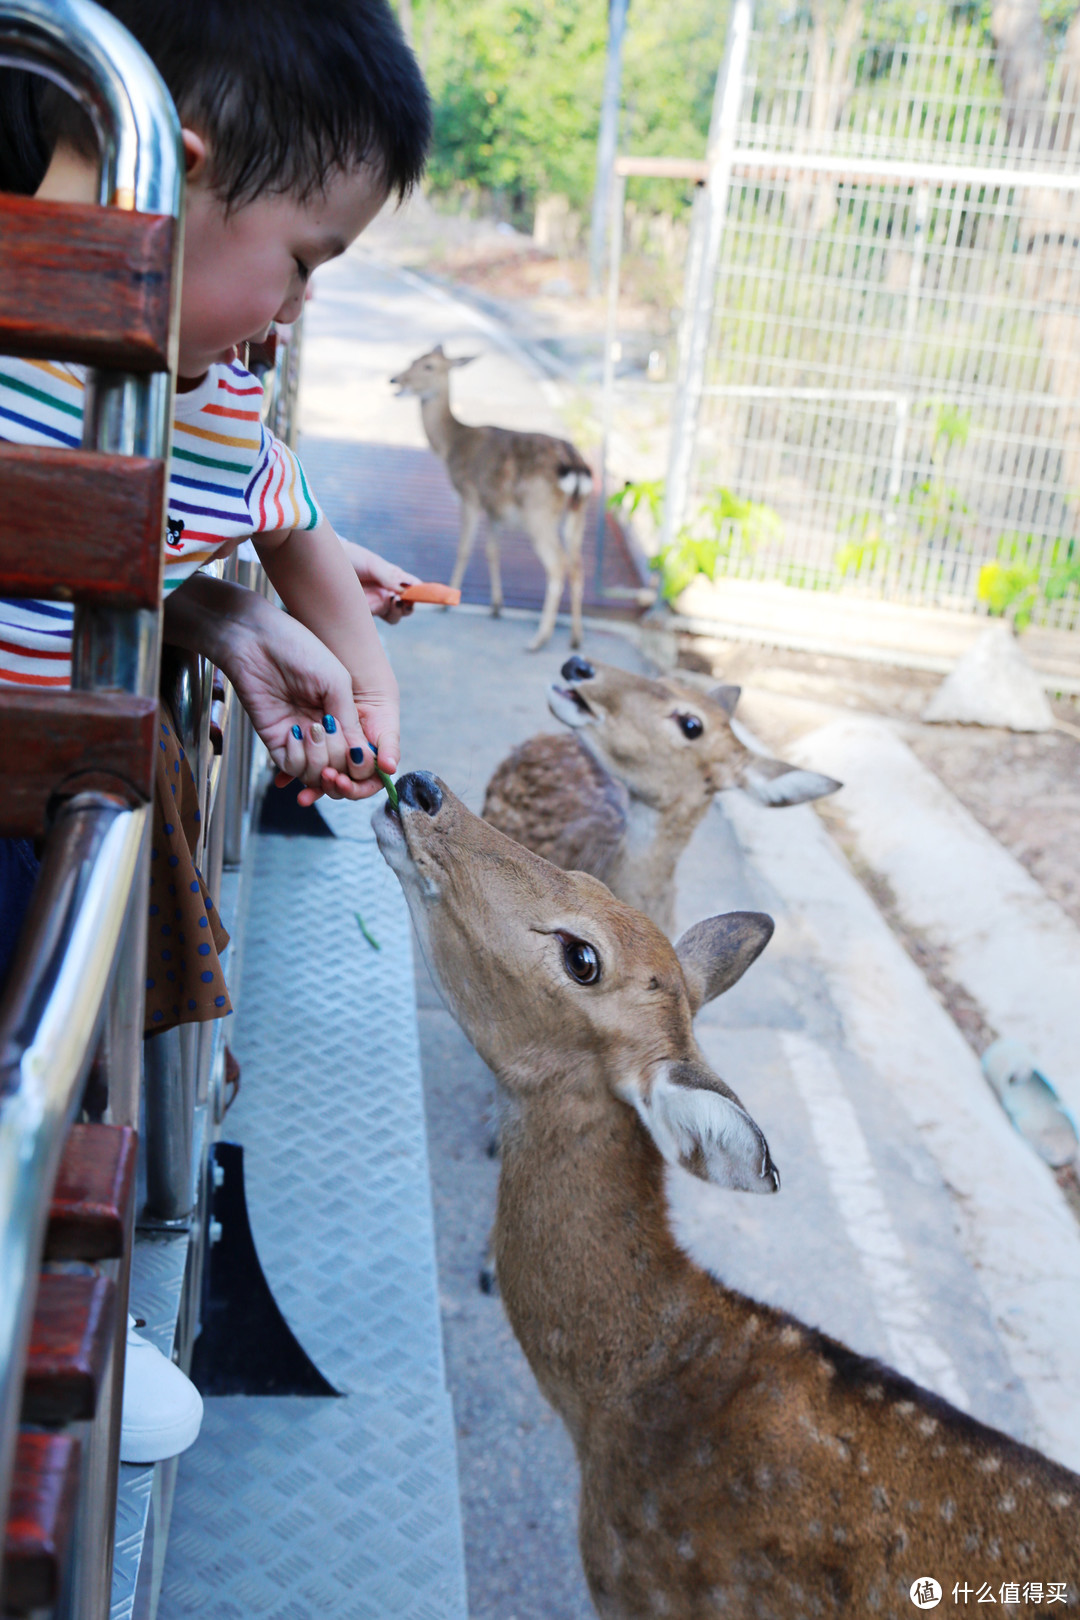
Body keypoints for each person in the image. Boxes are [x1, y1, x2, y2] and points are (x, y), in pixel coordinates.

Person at [0, 0, 433, 1459]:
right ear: (175, 173)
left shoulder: (183, 357)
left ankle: (67, 1263)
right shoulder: (120, 342)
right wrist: (257, 602)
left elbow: (234, 497)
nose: (297, 313)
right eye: (305, 264)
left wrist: (272, 608)